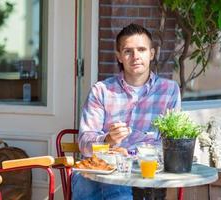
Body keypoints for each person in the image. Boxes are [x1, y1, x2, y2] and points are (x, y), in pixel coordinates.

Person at [72, 23, 181, 200]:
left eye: (141, 50)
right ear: (119, 56)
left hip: (146, 170)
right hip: (105, 170)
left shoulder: (169, 90)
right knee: (87, 180)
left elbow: (172, 142)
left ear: (151, 54)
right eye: (128, 51)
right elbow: (84, 143)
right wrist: (108, 140)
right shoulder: (102, 90)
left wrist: (133, 154)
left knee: (118, 187)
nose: (135, 56)